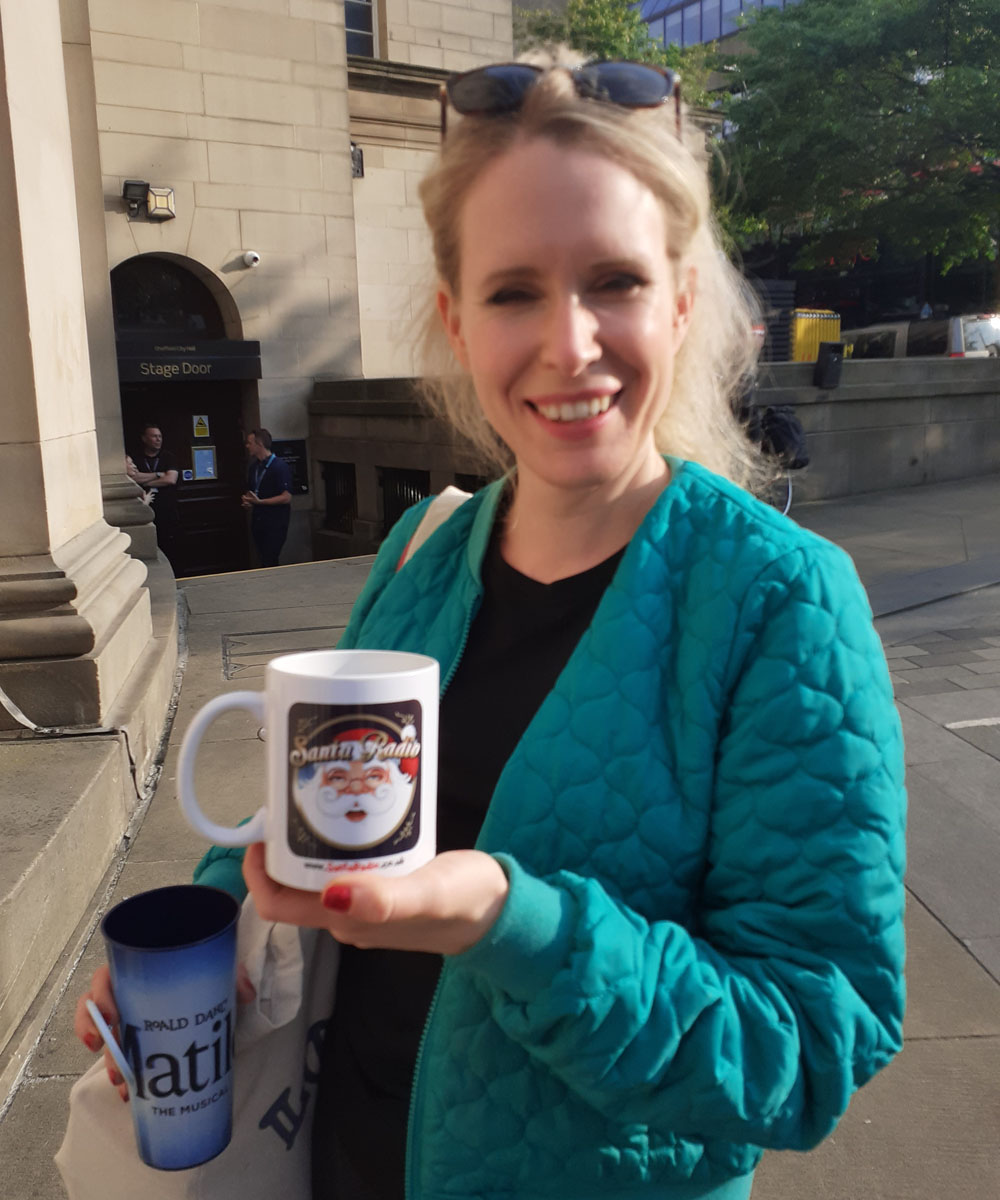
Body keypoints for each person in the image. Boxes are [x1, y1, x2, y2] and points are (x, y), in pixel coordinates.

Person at [78, 53, 906, 1200]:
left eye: (613, 281)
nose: (568, 345)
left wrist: (517, 925)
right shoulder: (423, 553)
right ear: (456, 323)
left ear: (680, 301)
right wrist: (214, 926)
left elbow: (812, 1046)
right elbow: (316, 796)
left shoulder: (779, 601)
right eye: (514, 291)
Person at [126, 424, 180, 570]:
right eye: (154, 436)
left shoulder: (168, 457)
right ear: (144, 438)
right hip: (145, 508)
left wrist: (146, 482)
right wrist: (158, 474)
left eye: (160, 436)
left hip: (167, 510)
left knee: (170, 545)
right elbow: (133, 478)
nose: (158, 439)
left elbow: (170, 479)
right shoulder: (135, 458)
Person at [243, 427, 292, 567]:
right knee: (262, 556)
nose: (247, 446)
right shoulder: (254, 467)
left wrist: (261, 502)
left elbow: (286, 497)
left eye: (250, 443)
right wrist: (249, 501)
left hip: (275, 521)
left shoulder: (279, 467)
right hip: (258, 520)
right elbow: (252, 491)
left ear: (259, 444)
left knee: (270, 557)